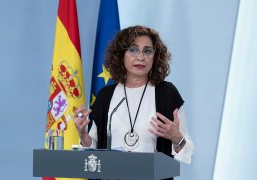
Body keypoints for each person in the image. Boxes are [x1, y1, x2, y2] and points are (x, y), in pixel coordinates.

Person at [74, 25, 194, 173]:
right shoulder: (106, 95)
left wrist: (177, 138)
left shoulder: (167, 93)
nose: (140, 57)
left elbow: (188, 151)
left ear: (155, 57)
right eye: (133, 49)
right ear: (120, 55)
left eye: (147, 51)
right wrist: (83, 135)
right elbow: (94, 148)